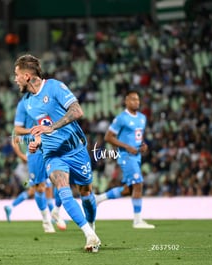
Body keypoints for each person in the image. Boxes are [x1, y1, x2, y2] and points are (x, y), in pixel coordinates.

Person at [13, 54, 100, 252]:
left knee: (86, 193)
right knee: (62, 188)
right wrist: (37, 142)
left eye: (17, 75)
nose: (15, 79)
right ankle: (89, 234)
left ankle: (92, 227)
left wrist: (53, 127)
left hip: (75, 149)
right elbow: (42, 129)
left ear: (27, 76)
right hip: (53, 154)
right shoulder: (28, 103)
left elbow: (77, 111)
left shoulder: (54, 87)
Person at [95, 90, 155, 229]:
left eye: (138, 99)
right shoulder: (121, 118)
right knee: (138, 184)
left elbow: (137, 136)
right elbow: (108, 137)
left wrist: (143, 145)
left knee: (129, 189)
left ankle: (99, 198)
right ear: (126, 101)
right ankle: (137, 221)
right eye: (133, 99)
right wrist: (127, 147)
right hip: (126, 156)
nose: (136, 102)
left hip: (137, 156)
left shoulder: (142, 118)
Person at [4, 99, 66, 232]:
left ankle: (55, 214)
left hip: (48, 152)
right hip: (34, 156)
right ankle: (46, 221)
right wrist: (21, 156)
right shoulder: (28, 128)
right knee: (38, 188)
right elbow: (15, 139)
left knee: (51, 185)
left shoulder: (45, 116)